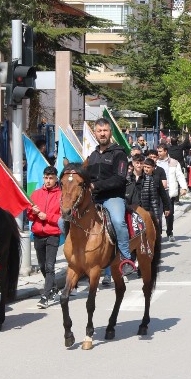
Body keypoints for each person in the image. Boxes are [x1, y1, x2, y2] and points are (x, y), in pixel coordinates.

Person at [86, 118, 136, 277]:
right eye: (99, 131)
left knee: (117, 221)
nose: (102, 134)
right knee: (64, 220)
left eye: (105, 130)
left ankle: (126, 258)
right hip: (93, 199)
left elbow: (119, 179)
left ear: (110, 133)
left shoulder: (119, 154)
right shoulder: (92, 156)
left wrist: (96, 186)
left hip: (112, 197)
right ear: (95, 133)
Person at [28, 166, 63, 309]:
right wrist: (33, 212)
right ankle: (54, 288)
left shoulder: (62, 195)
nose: (48, 181)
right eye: (46, 178)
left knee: (49, 266)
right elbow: (29, 215)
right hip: (38, 234)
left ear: (56, 179)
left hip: (53, 234)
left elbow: (63, 217)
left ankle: (45, 296)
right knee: (42, 266)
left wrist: (47, 217)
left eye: (51, 178)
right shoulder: (36, 194)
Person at [156, 144, 188, 243]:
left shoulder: (174, 163)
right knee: (158, 214)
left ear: (166, 151)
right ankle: (159, 234)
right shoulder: (155, 162)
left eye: (160, 151)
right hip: (157, 192)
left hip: (169, 192)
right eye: (158, 151)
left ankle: (170, 232)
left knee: (169, 215)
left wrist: (183, 187)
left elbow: (179, 175)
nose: (158, 153)